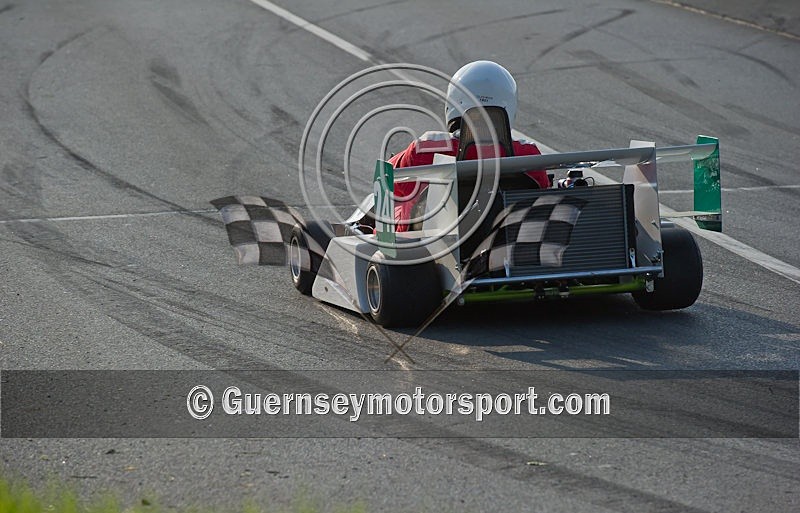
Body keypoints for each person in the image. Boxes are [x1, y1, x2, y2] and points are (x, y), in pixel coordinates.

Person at [388, 60, 550, 232]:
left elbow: (387, 178)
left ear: (454, 102)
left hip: (435, 247)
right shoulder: (528, 155)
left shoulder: (428, 148)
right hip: (505, 241)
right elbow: (541, 192)